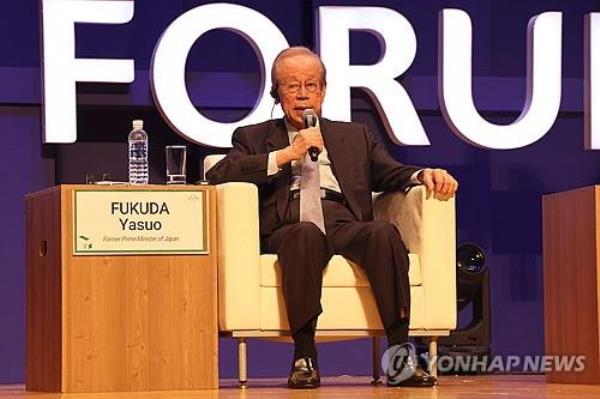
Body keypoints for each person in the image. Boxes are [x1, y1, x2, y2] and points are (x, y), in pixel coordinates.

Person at [206, 46, 458, 389]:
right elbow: (220, 173)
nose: (303, 94)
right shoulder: (253, 137)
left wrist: (425, 173)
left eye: (311, 85)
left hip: (342, 219)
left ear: (323, 91)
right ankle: (304, 357)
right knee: (305, 235)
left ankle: (400, 358)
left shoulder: (354, 135)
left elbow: (390, 173)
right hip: (288, 225)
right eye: (292, 86)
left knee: (383, 233)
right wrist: (286, 155)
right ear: (276, 94)